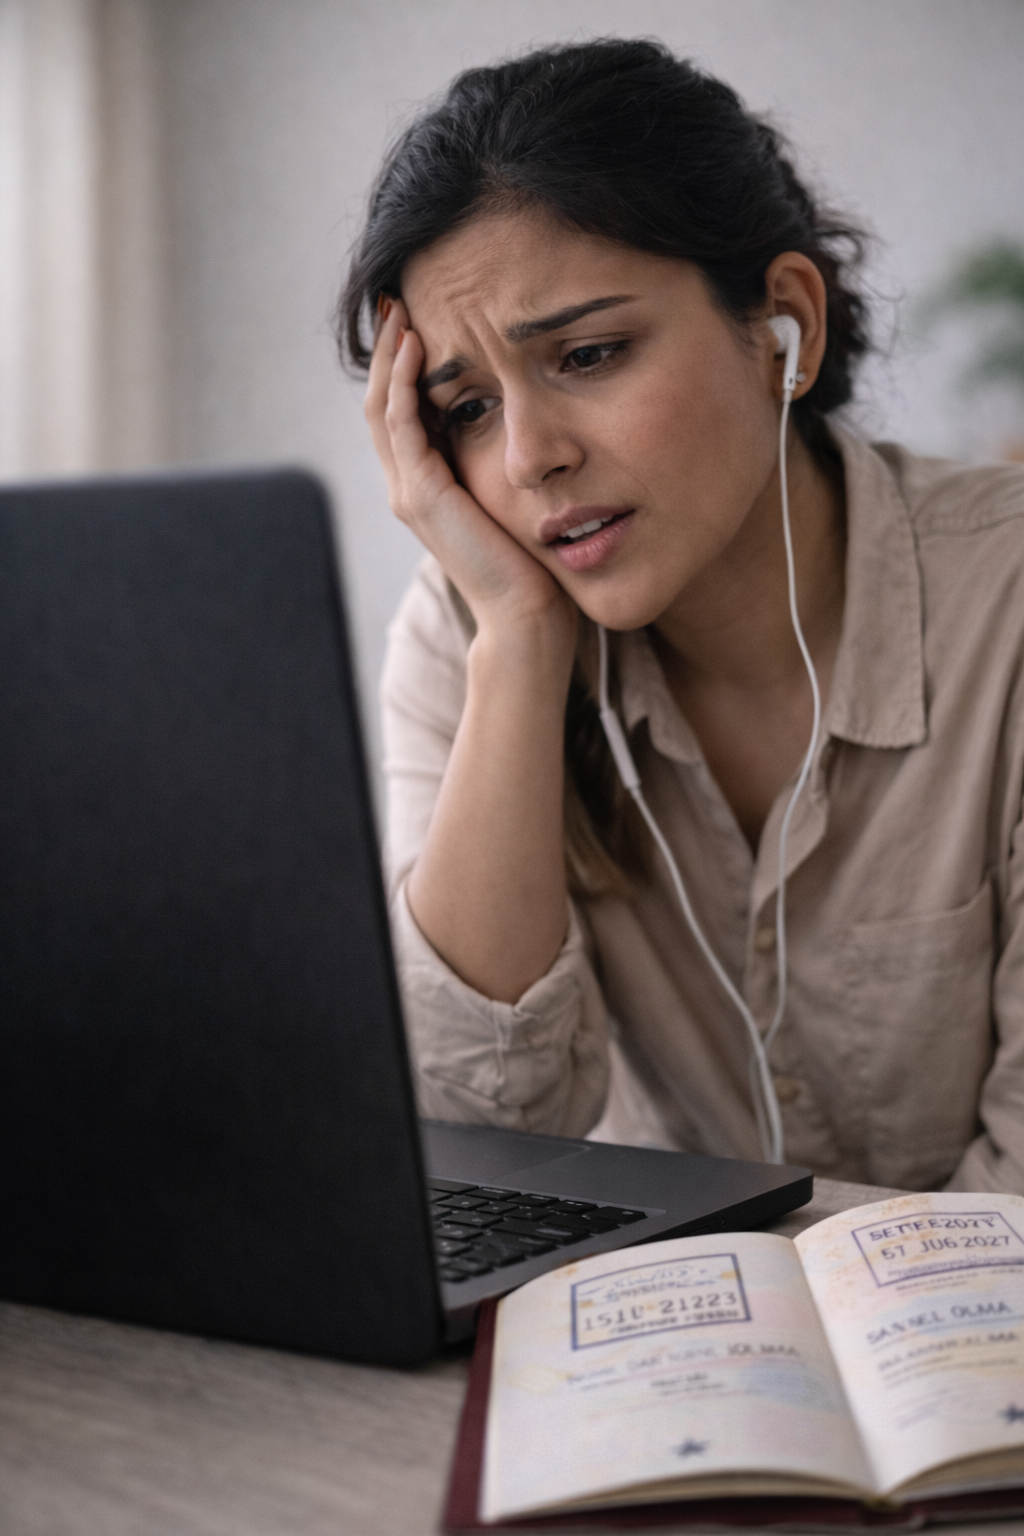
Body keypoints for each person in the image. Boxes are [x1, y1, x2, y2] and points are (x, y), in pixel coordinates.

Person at [337, 39, 1024, 1195]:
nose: (529, 458)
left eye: (589, 354)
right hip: (658, 1349)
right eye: (464, 408)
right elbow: (471, 1134)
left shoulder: (1000, 603)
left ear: (782, 326)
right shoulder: (470, 630)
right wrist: (516, 644)